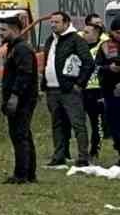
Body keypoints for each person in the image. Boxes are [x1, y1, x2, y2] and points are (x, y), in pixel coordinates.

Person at [43, 11, 93, 166]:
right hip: (52, 89)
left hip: (69, 90)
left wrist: (79, 83)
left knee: (77, 123)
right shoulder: (51, 39)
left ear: (66, 23)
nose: (53, 25)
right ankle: (59, 155)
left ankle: (83, 157)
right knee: (57, 124)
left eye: (56, 22)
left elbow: (88, 62)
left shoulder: (75, 40)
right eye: (51, 22)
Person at [0, 16, 40, 183]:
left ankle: (22, 174)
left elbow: (25, 74)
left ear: (14, 30)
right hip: (18, 98)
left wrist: (15, 96)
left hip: (23, 99)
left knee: (20, 135)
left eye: (3, 30)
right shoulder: (13, 48)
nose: (0, 33)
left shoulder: (22, 49)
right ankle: (28, 172)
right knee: (22, 135)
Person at [82, 21, 107, 160]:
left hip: (97, 90)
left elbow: (105, 66)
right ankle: (83, 150)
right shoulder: (81, 47)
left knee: (96, 122)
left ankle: (95, 150)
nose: (83, 34)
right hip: (82, 89)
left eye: (87, 32)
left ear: (96, 34)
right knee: (81, 122)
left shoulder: (102, 47)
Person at [96, 35, 120, 165]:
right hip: (110, 92)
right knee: (114, 125)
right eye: (117, 31)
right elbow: (98, 66)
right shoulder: (106, 46)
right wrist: (109, 68)